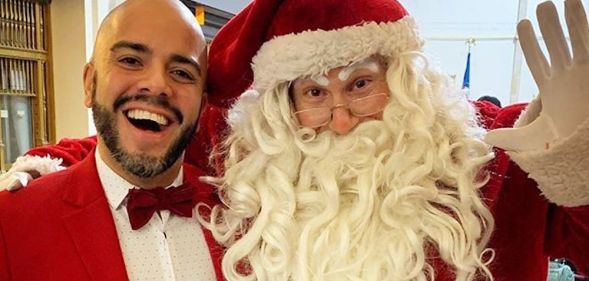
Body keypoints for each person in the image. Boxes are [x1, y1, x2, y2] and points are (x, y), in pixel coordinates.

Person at [2, 0, 589, 280]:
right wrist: (51, 159)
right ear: (285, 110)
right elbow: (147, 139)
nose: (339, 119)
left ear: (407, 82)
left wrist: (579, 164)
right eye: (312, 94)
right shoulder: (270, 176)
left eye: (361, 84)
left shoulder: (500, 156)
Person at [0, 0, 223, 280]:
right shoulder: (12, 223)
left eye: (181, 73)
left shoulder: (241, 215)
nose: (157, 84)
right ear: (90, 83)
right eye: (130, 60)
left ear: (202, 107)